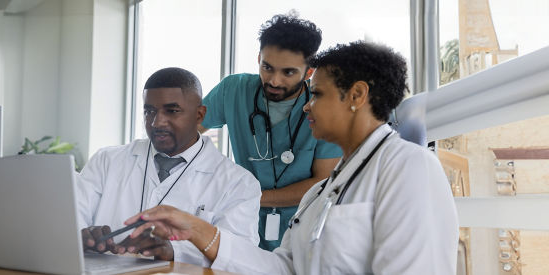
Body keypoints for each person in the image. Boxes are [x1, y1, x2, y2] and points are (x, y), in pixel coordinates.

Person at [123, 41, 459, 274]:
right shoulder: (318, 194)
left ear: (356, 95)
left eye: (318, 94)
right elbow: (282, 268)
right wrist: (197, 230)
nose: (307, 105)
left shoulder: (408, 167)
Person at [76, 67, 261, 267]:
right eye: (149, 111)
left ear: (200, 115)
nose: (157, 122)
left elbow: (242, 259)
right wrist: (82, 235)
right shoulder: (106, 161)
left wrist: (175, 251)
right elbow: (70, 217)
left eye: (172, 111)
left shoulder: (238, 183)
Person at [200, 13, 341, 250]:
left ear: (308, 72)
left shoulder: (324, 108)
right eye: (267, 67)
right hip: (241, 225)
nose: (274, 81)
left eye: (288, 72)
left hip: (302, 229)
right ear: (258, 58)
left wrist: (250, 197)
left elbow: (322, 181)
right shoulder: (233, 91)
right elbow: (185, 133)